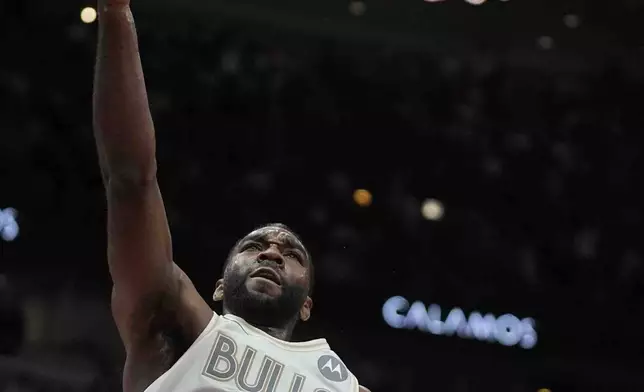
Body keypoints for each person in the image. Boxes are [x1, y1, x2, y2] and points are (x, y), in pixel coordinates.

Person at [92, 1, 369, 391]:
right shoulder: (177, 325)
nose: (272, 253)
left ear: (307, 305)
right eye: (254, 246)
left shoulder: (341, 384)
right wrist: (115, 11)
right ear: (220, 285)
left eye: (292, 255)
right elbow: (129, 181)